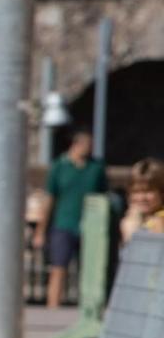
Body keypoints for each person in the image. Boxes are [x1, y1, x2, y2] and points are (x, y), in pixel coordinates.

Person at [39, 128, 108, 309]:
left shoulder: (96, 168)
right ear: (76, 145)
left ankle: (88, 307)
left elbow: (103, 197)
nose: (89, 150)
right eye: (86, 146)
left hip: (90, 225)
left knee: (90, 269)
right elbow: (49, 198)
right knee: (58, 267)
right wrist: (41, 230)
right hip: (64, 223)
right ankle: (52, 307)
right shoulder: (60, 167)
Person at [122, 158, 163, 243]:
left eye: (148, 191)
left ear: (161, 192)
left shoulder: (160, 220)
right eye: (136, 192)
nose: (141, 198)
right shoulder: (135, 216)